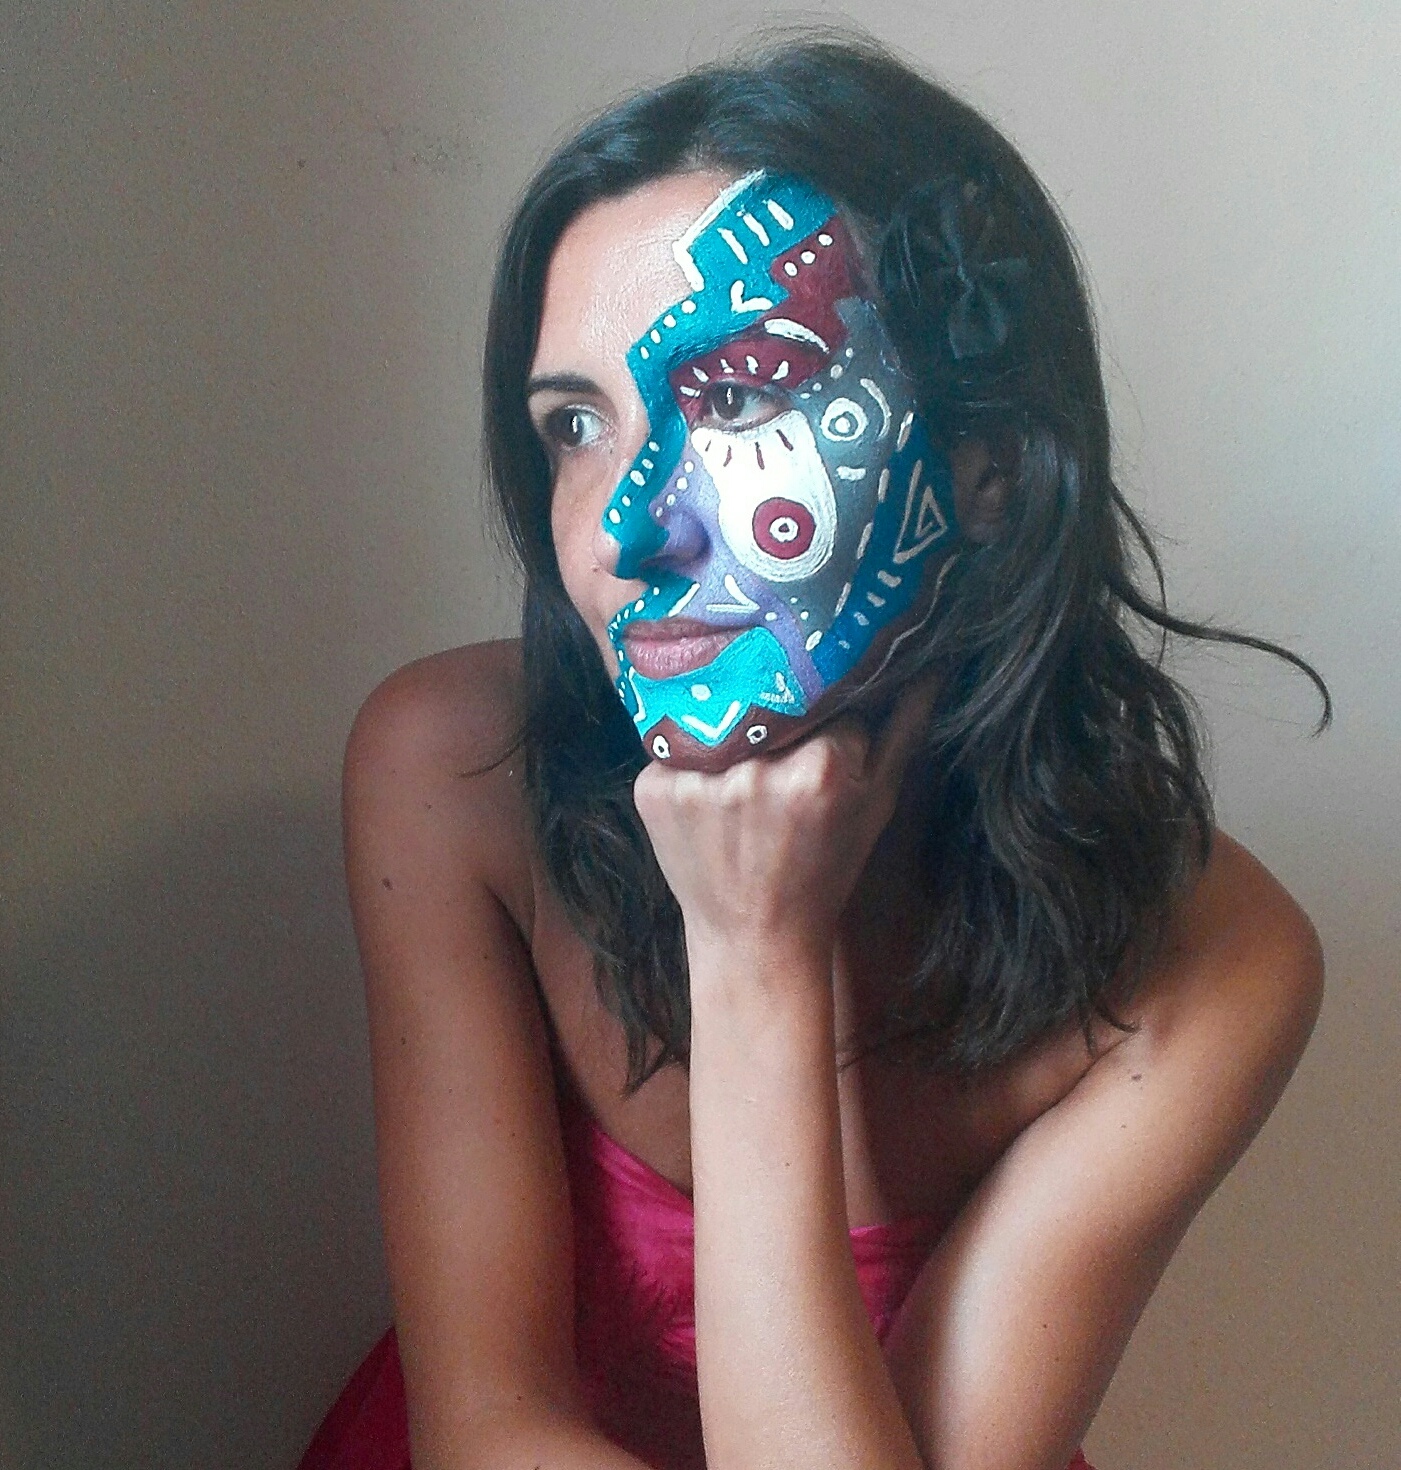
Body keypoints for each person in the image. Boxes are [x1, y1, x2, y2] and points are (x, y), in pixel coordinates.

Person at [299, 35, 1328, 1470]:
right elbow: (486, 1428)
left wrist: (753, 950)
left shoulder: (1213, 956)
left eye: (732, 397)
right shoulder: (454, 773)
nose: (620, 532)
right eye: (575, 425)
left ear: (985, 467)